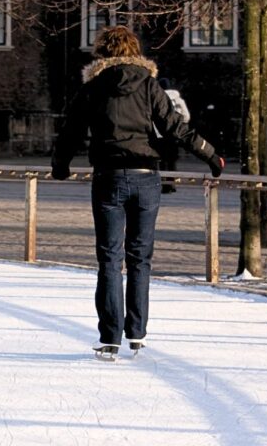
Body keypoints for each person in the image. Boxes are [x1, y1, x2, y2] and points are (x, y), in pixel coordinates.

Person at [51, 26, 224, 360]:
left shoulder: (94, 87)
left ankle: (110, 337)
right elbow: (175, 126)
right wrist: (211, 155)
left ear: (101, 53)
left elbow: (70, 129)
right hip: (146, 177)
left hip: (108, 177)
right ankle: (137, 333)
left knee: (110, 259)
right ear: (134, 51)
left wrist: (61, 165)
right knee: (140, 258)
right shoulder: (148, 84)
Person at [157, 78, 191, 193]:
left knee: (161, 161)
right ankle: (172, 185)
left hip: (160, 134)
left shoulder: (157, 98)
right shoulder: (179, 100)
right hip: (174, 134)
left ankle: (164, 185)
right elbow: (186, 116)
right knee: (172, 161)